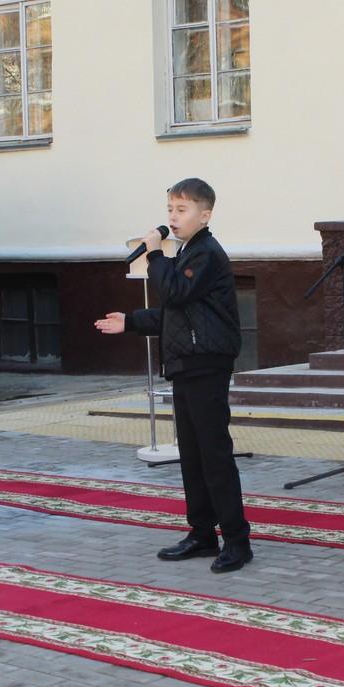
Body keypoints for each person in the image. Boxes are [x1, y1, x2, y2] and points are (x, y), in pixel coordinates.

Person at [94, 178, 253, 573]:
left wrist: (153, 255)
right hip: (186, 364)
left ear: (205, 215)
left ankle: (237, 540)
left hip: (207, 364)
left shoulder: (205, 254)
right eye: (170, 209)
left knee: (213, 455)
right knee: (193, 456)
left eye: (181, 211)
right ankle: (202, 533)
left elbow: (173, 295)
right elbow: (176, 314)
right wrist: (130, 321)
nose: (172, 217)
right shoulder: (185, 253)